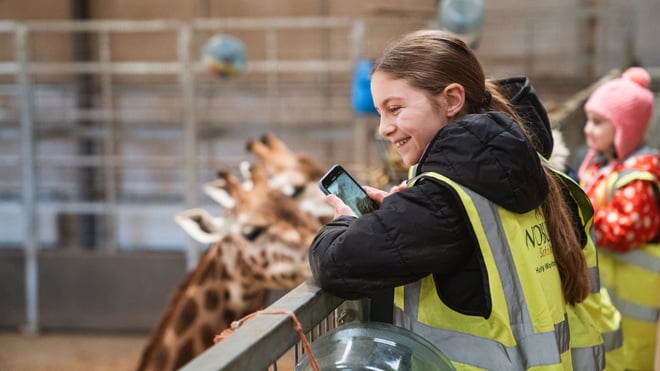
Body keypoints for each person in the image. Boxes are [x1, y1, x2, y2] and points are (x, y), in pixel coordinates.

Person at [308, 29, 593, 370]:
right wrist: (402, 212)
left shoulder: (444, 198)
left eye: (395, 109)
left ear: (452, 100)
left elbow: (335, 263)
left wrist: (348, 221)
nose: (383, 128)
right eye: (381, 112)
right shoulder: (522, 165)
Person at [578, 66, 660, 370]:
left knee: (629, 361)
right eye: (588, 120)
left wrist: (581, 216)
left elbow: (625, 231)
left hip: (633, 308)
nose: (588, 129)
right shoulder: (603, 166)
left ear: (625, 128)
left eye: (598, 122)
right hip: (609, 301)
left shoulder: (638, 178)